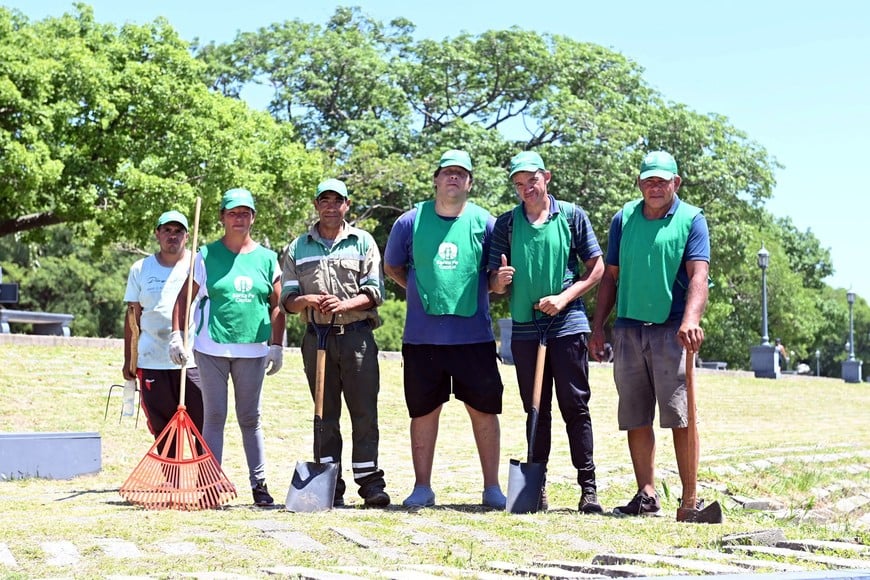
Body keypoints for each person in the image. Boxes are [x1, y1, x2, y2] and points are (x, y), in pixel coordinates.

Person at [589, 150, 710, 516]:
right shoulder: (623, 218)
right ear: (639, 183)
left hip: (672, 330)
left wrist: (690, 319)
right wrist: (598, 326)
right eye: (648, 180)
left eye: (662, 180)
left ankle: (690, 499)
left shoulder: (691, 219)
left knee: (680, 415)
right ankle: (646, 494)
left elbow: (699, 276)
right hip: (628, 328)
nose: (655, 187)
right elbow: (610, 276)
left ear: (676, 183)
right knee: (635, 415)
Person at [384, 149, 507, 509]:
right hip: (423, 339)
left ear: (470, 183)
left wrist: (496, 284)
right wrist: (424, 292)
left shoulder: (486, 222)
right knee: (423, 412)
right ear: (436, 179)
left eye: (461, 173)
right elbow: (393, 267)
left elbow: (495, 278)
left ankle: (492, 488)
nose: (453, 178)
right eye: (447, 172)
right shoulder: (410, 221)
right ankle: (422, 487)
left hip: (475, 338)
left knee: (484, 411)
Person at [488, 151, 605, 513]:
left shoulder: (571, 216)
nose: (526, 189)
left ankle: (588, 488)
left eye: (531, 181)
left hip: (567, 326)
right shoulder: (506, 225)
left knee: (575, 406)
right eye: (519, 184)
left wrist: (564, 297)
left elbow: (596, 267)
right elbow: (493, 284)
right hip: (525, 328)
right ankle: (535, 488)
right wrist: (499, 281)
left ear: (547, 177)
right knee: (535, 408)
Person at [170, 188, 285, 507]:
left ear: (253, 218)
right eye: (233, 213)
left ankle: (259, 484)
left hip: (253, 350)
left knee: (250, 418)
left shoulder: (267, 258)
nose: (239, 218)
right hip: (211, 348)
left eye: (245, 213)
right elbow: (183, 298)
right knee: (214, 415)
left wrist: (277, 344)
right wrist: (177, 335)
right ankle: (210, 485)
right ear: (222, 217)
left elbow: (278, 305)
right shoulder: (205, 255)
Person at [280, 178, 390, 508]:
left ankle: (370, 483)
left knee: (364, 413)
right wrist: (307, 300)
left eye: (336, 200)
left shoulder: (362, 242)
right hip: (317, 341)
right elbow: (287, 298)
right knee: (323, 415)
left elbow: (375, 292)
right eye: (323, 200)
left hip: (356, 339)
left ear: (347, 205)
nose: (330, 206)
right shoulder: (298, 247)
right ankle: (329, 483)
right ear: (316, 205)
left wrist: (344, 305)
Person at [123, 210, 204, 452]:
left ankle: (205, 478)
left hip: (192, 361)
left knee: (202, 422)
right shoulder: (141, 268)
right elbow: (132, 318)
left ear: (187, 236)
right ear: (157, 234)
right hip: (152, 360)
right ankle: (171, 477)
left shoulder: (199, 265)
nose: (172, 236)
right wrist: (129, 360)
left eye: (178, 231)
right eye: (167, 230)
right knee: (162, 425)